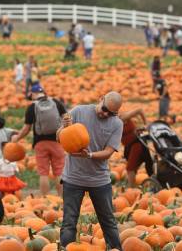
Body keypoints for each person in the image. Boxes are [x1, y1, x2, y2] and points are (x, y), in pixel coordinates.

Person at [58, 91, 123, 249]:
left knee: (108, 222)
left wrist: (90, 155)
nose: (105, 114)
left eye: (111, 113)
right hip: (73, 178)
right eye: (104, 108)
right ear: (101, 99)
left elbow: (108, 152)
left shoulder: (116, 124)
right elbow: (59, 136)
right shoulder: (79, 111)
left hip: (99, 180)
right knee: (69, 222)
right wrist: (65, 128)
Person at [12, 85, 66, 196]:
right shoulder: (55, 102)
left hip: (40, 143)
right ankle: (62, 198)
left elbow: (26, 129)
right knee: (59, 171)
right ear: (44, 93)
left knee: (43, 173)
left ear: (32, 94)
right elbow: (67, 118)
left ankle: (45, 199)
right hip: (57, 141)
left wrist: (17, 138)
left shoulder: (32, 107)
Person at [119, 108, 152, 188]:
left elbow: (139, 110)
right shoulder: (109, 122)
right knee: (133, 167)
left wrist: (146, 124)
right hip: (129, 145)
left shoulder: (122, 117)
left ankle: (131, 188)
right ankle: (132, 186)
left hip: (136, 143)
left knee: (130, 168)